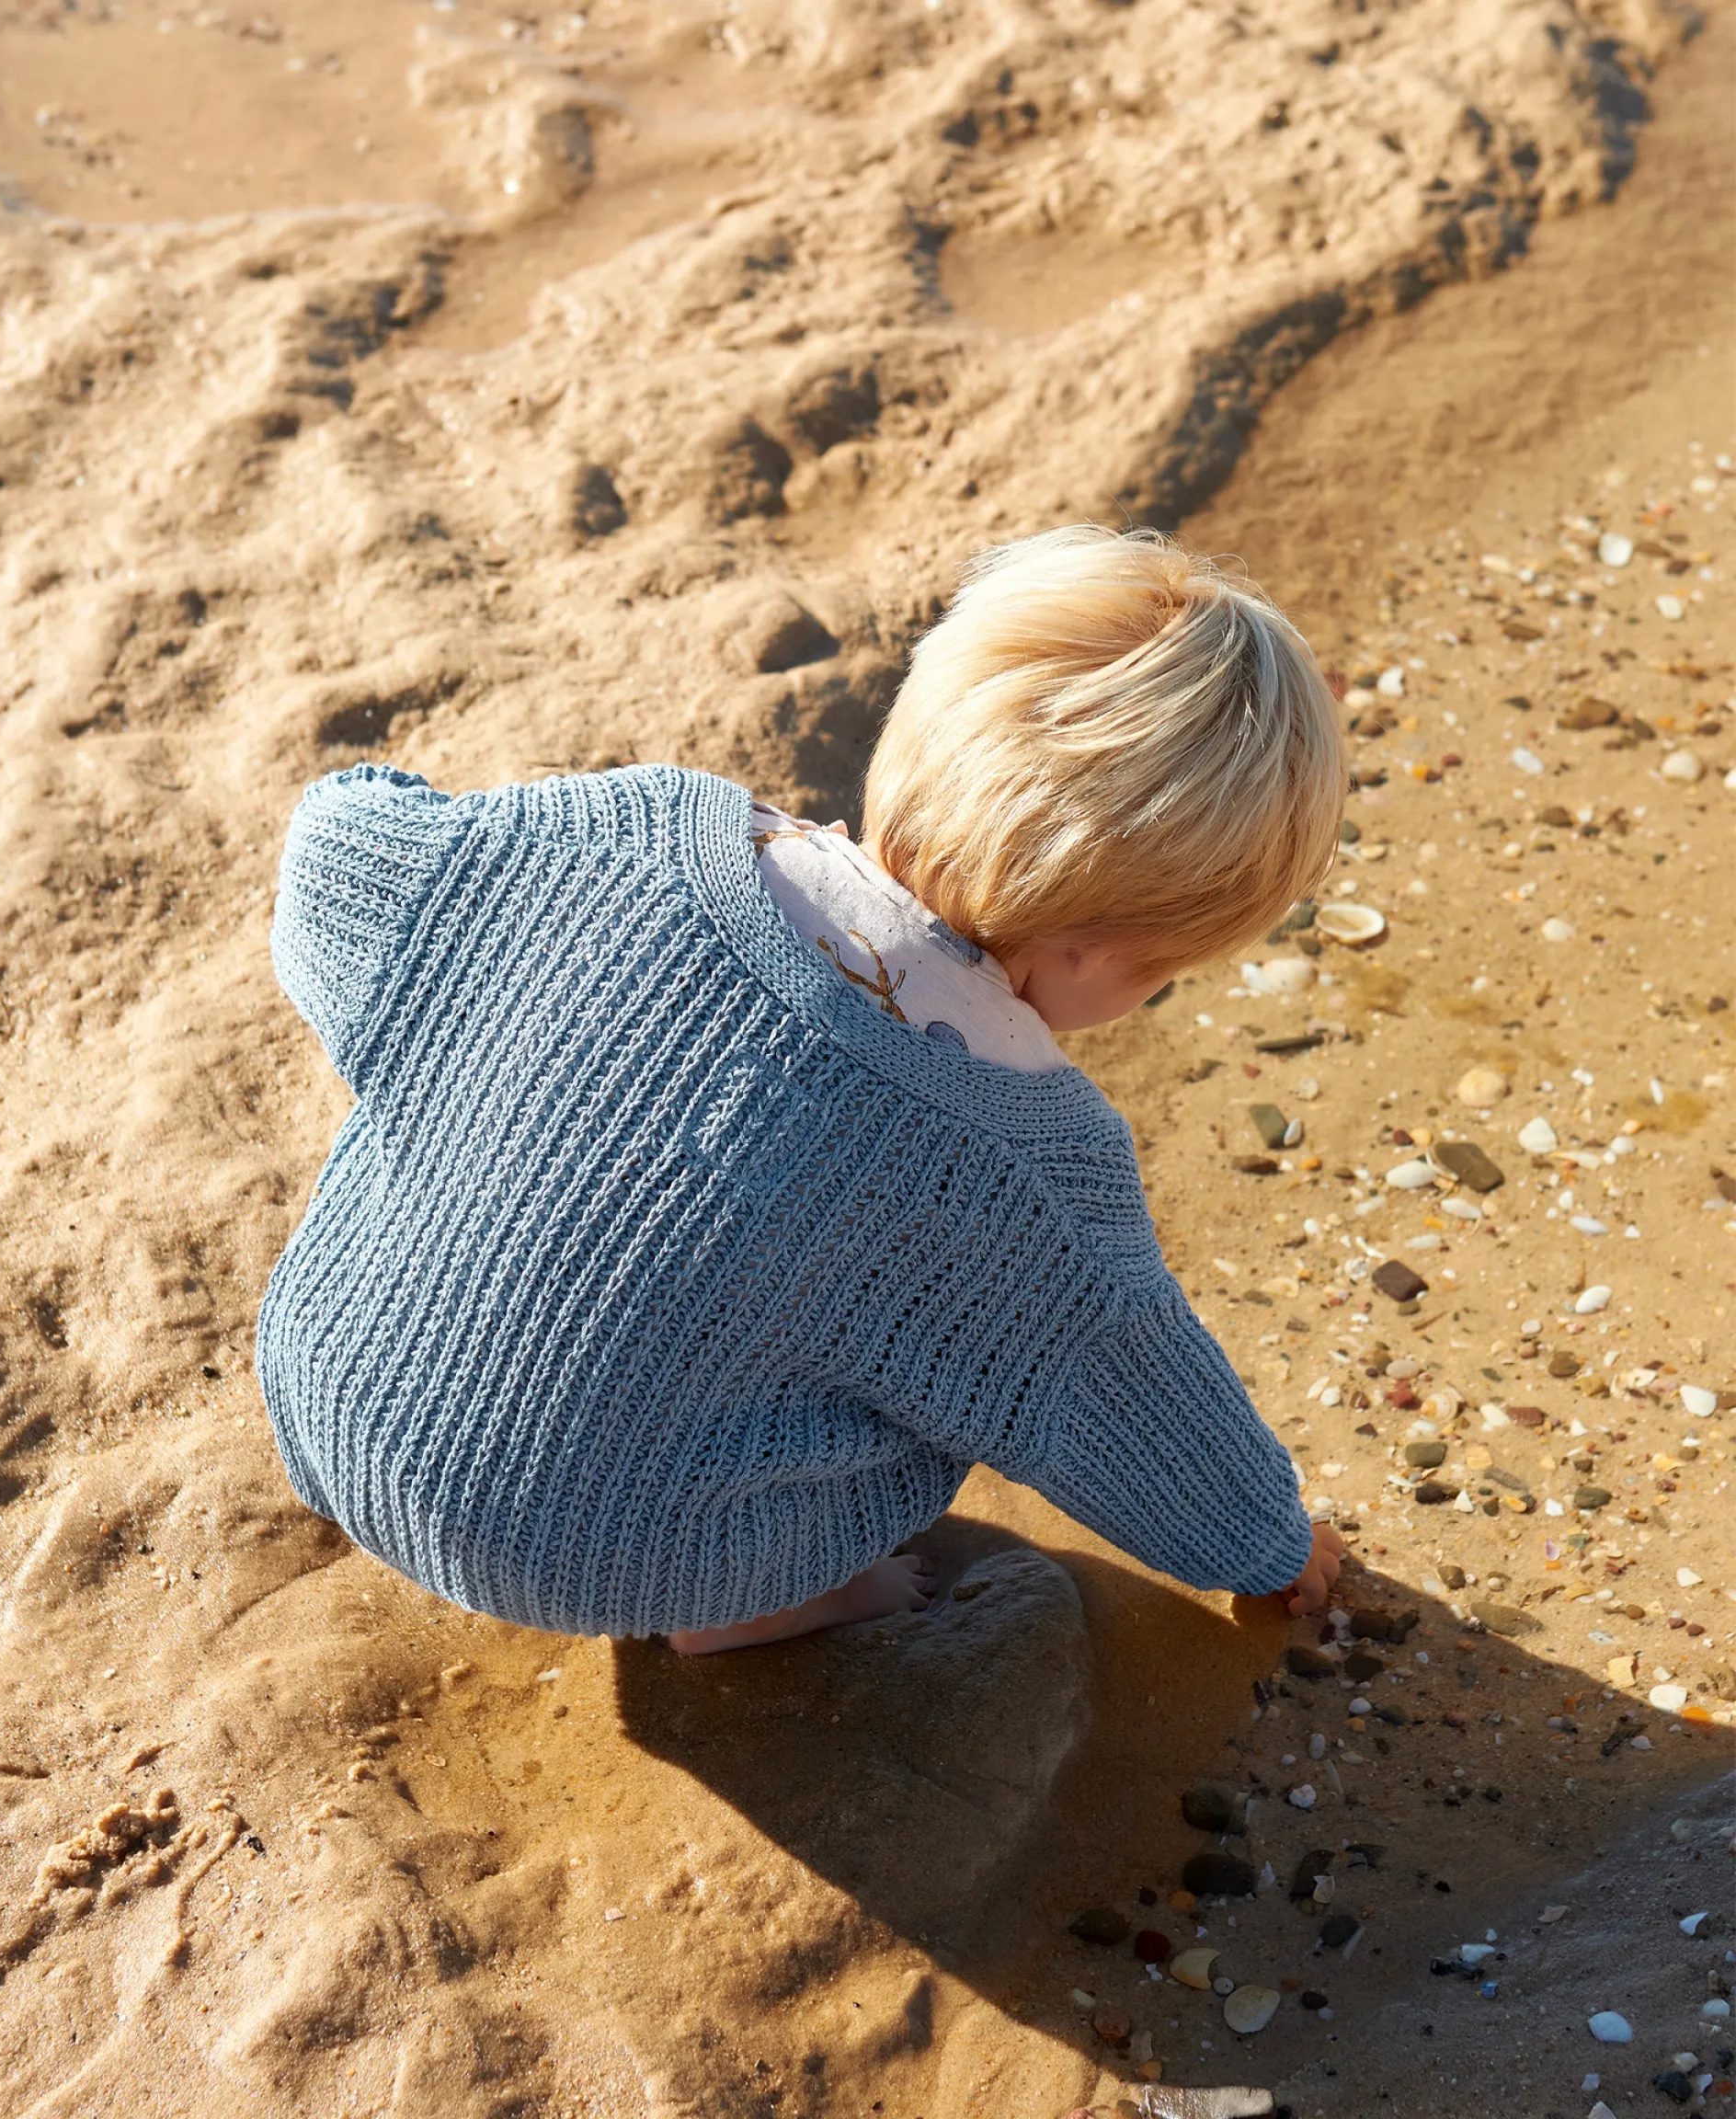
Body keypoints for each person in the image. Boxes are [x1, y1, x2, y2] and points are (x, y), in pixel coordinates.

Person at [256, 526, 1347, 1656]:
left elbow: (340, 850)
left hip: (329, 1377)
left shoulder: (631, 830)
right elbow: (1141, 1415)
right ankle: (759, 1607)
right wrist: (1270, 1545)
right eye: (1161, 974)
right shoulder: (1035, 1164)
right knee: (979, 1377)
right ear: (1092, 954)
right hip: (607, 1557)